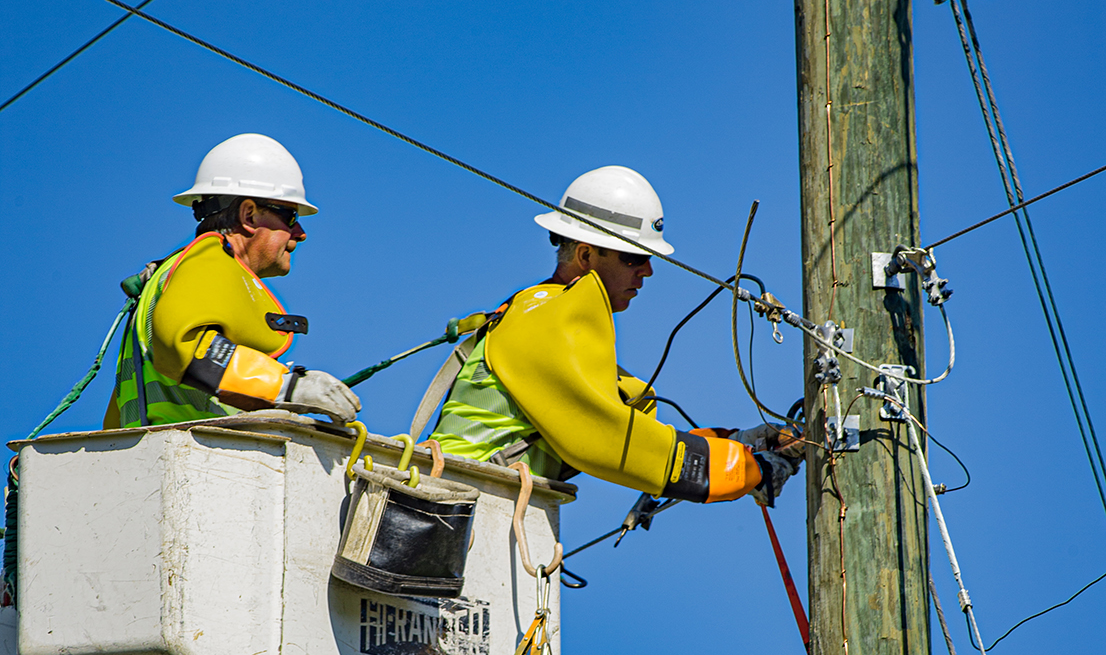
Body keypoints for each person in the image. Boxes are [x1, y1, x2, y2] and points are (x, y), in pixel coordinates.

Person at [430, 166, 803, 506]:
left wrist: (739, 442)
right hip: (461, 498)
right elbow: (603, 436)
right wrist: (747, 470)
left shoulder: (541, 315)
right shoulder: (548, 316)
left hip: (475, 498)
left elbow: (629, 420)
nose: (647, 271)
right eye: (633, 257)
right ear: (587, 255)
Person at [105, 134, 361, 429]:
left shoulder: (172, 274)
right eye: (290, 216)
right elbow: (187, 343)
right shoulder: (209, 260)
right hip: (200, 455)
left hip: (156, 457)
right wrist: (285, 386)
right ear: (249, 215)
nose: (300, 232)